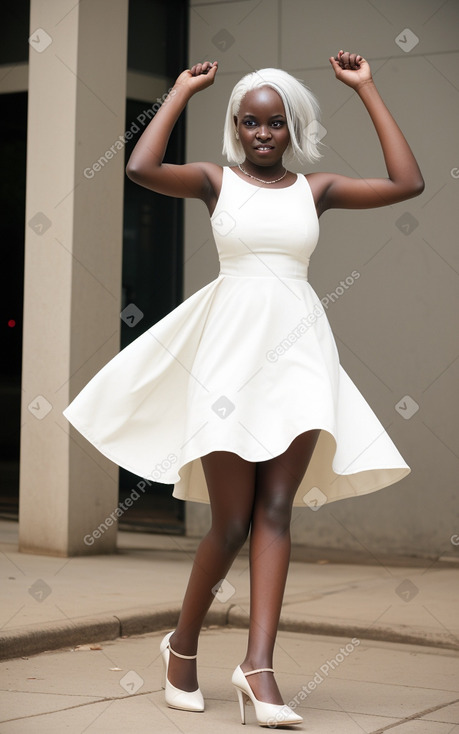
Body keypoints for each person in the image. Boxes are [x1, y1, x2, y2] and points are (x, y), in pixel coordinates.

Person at [63, 50, 424, 727]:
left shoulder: (314, 190)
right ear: (237, 126)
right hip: (228, 360)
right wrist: (177, 91)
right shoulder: (212, 180)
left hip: (299, 357)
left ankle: (258, 667)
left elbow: (408, 183)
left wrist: (367, 87)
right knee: (230, 521)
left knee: (278, 508)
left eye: (276, 124)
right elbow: (141, 168)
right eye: (250, 123)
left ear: (292, 129)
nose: (262, 134)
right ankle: (182, 648)